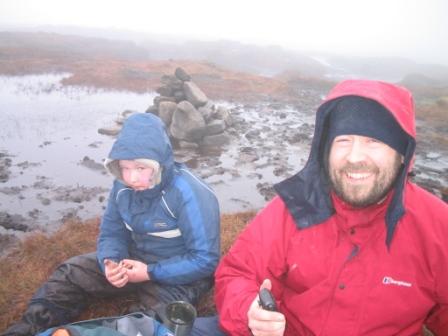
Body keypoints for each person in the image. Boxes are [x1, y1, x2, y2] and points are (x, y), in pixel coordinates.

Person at [214, 79, 448, 335]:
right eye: (343, 140)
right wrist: (248, 310)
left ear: (403, 154)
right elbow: (237, 273)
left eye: (374, 141)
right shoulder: (297, 205)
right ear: (325, 150)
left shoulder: (437, 228)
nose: (355, 157)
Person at [3, 113, 220, 336]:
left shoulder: (190, 193)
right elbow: (112, 231)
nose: (132, 178)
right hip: (132, 261)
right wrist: (110, 260)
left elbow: (205, 260)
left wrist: (150, 273)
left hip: (177, 275)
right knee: (71, 273)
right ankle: (27, 329)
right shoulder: (122, 187)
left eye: (140, 168)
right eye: (125, 168)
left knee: (155, 323)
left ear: (159, 164)